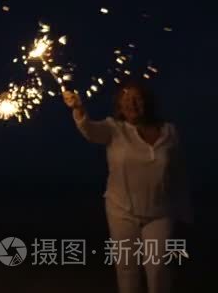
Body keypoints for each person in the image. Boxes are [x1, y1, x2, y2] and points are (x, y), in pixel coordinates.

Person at [63, 83, 193, 293]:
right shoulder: (113, 128)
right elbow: (89, 130)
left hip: (160, 212)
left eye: (137, 100)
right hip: (121, 210)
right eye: (126, 101)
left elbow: (178, 173)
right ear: (119, 107)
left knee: (159, 268)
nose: (131, 105)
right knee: (127, 269)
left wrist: (185, 213)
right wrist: (79, 109)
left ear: (147, 102)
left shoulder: (169, 132)